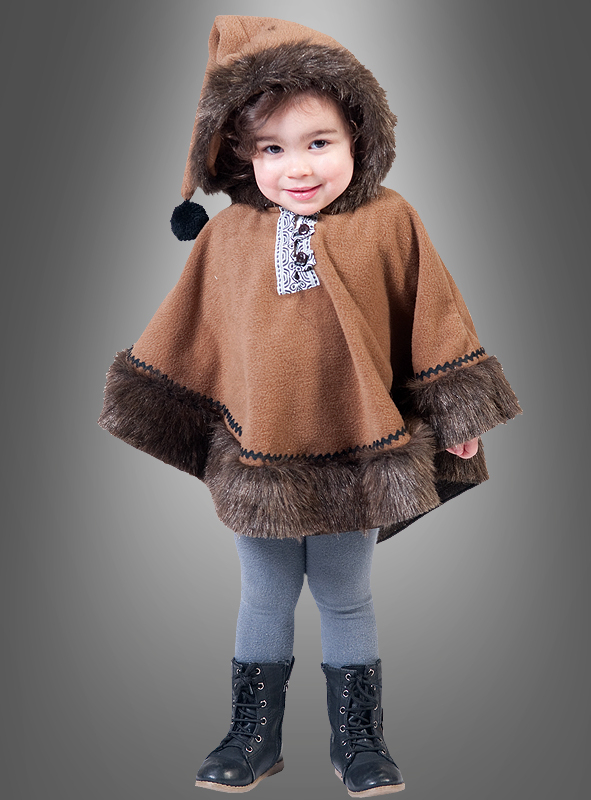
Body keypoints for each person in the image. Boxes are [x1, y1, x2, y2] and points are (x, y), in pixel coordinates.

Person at [99, 15, 521, 796]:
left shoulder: (389, 221)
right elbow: (194, 330)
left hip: (357, 443)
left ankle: (358, 742)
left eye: (318, 142)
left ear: (358, 135)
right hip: (257, 449)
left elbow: (432, 315)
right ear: (238, 153)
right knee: (263, 591)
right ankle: (253, 737)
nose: (296, 167)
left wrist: (455, 416)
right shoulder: (229, 237)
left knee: (344, 593)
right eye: (270, 149)